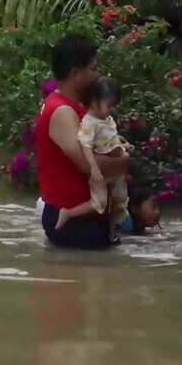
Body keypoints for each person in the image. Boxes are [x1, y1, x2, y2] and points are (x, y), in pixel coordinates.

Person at [35, 34, 130, 249]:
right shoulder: (63, 111)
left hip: (83, 219)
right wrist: (124, 160)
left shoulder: (77, 107)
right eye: (93, 69)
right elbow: (89, 166)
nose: (99, 75)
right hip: (75, 224)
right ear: (76, 74)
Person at [55, 76, 133, 240]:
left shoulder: (106, 119)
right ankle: (68, 213)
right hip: (102, 171)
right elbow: (86, 145)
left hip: (114, 170)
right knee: (99, 203)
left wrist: (123, 145)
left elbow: (111, 137)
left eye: (114, 106)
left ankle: (113, 228)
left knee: (120, 199)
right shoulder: (89, 123)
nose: (112, 109)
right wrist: (94, 167)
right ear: (95, 102)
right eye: (109, 105)